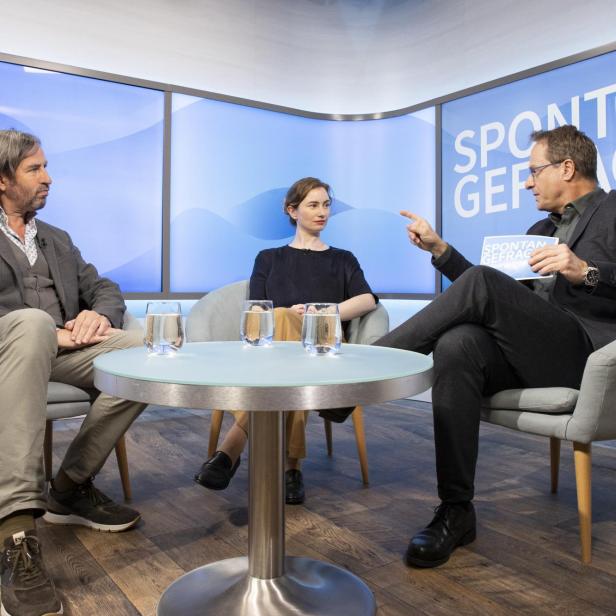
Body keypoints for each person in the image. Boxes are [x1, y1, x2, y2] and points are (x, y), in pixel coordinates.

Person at [375, 125, 616, 568]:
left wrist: (587, 270)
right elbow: (487, 294)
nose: (527, 182)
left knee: (484, 284)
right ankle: (455, 510)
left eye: (533, 171)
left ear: (567, 168)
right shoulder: (540, 228)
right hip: (532, 353)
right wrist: (441, 249)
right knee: (457, 343)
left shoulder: (615, 208)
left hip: (587, 355)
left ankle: (369, 367)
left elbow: (485, 286)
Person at [0, 129, 147, 616]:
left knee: (143, 351)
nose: (49, 179)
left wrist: (99, 316)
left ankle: (68, 488)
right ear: (3, 180)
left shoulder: (57, 239)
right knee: (32, 322)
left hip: (61, 348)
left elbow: (104, 286)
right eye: (35, 170)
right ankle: (17, 531)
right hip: (9, 347)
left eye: (46, 168)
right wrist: (44, 330)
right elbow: (31, 326)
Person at [194, 177, 377, 504]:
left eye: (326, 205)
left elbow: (367, 300)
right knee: (279, 318)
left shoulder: (342, 259)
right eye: (313, 205)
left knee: (288, 324)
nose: (322, 212)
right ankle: (291, 468)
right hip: (272, 353)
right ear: (292, 211)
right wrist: (287, 316)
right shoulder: (268, 258)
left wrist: (320, 312)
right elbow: (256, 311)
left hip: (324, 347)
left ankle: (230, 449)